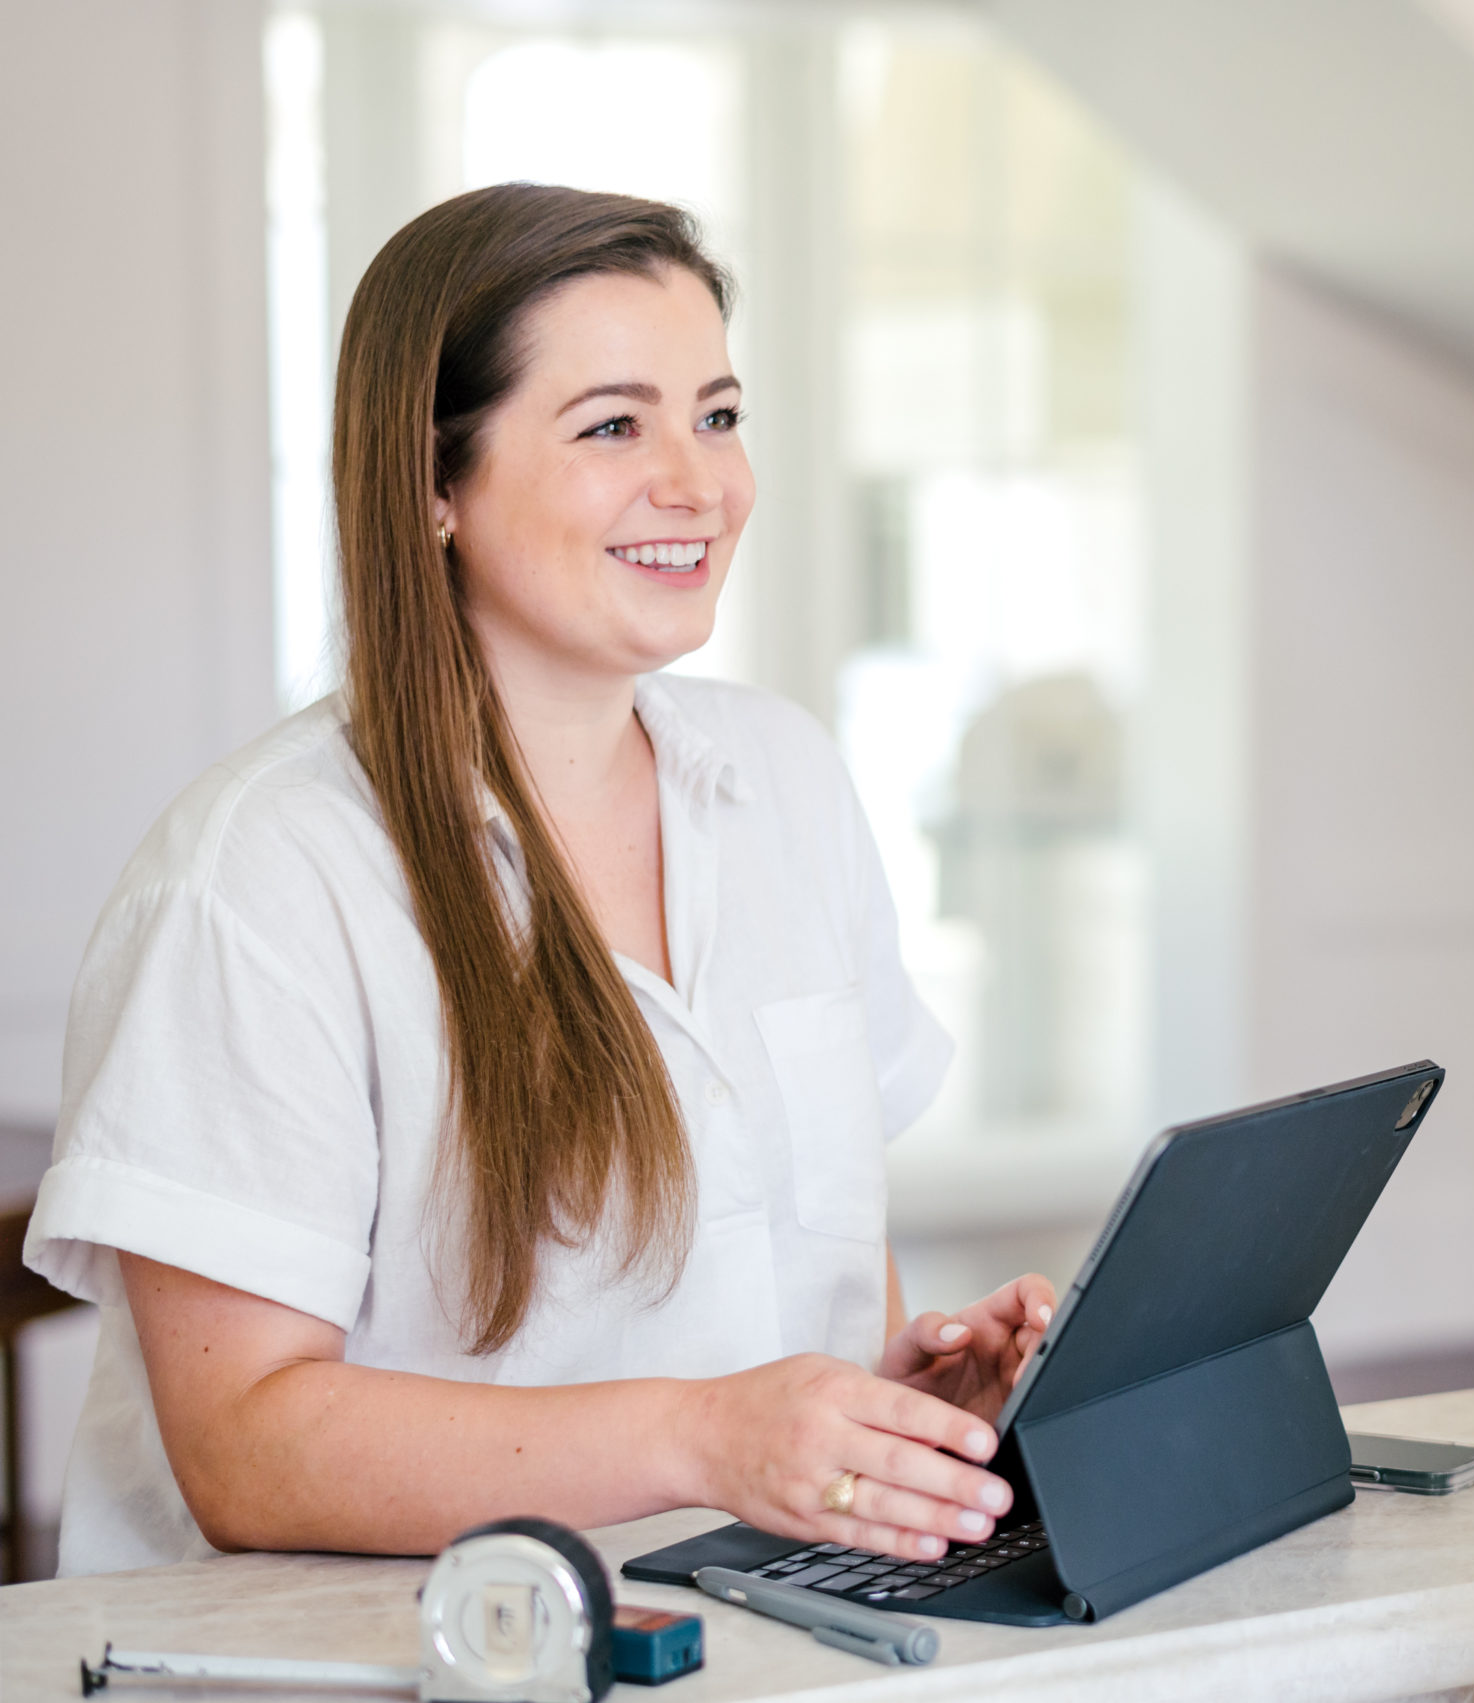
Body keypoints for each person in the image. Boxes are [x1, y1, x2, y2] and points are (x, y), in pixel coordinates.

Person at [23, 184, 1053, 1576]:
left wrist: (886, 1422)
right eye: (614, 425)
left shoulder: (788, 781)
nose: (699, 482)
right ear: (435, 487)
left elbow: (799, 1291)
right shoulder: (264, 875)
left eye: (720, 413)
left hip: (745, 1634)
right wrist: (702, 1436)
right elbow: (246, 1449)